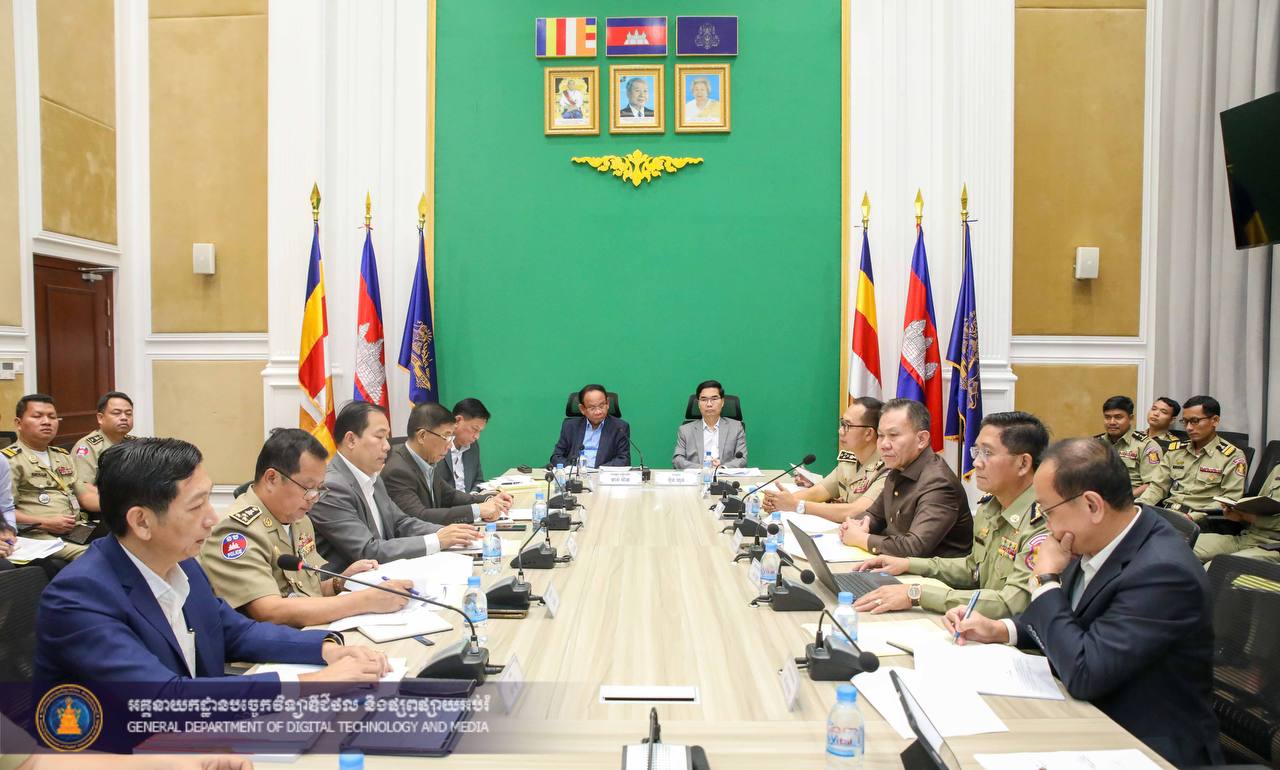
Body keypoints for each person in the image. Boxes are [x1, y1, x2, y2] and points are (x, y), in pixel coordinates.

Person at [944, 438, 1222, 767]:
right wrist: (1001, 629)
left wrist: (1045, 580)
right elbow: (1070, 619)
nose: (1047, 526)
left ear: (1092, 505)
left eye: (1048, 512)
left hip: (1146, 744)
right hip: (1090, 714)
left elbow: (1085, 672)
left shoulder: (1163, 573)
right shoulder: (1098, 538)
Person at [35, 437, 391, 693]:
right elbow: (164, 698)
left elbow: (237, 633)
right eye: (196, 506)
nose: (211, 518)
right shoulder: (80, 597)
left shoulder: (183, 566)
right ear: (141, 521)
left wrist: (327, 649)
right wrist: (315, 683)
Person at [201, 429, 417, 627]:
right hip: (266, 650)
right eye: (308, 488)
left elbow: (303, 592)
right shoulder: (237, 532)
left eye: (319, 489)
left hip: (307, 632)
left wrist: (339, 582)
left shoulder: (299, 519)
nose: (314, 498)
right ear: (271, 478)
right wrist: (365, 600)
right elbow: (270, 611)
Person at [851, 412, 1050, 619]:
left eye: (987, 453)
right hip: (978, 624)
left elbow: (1011, 604)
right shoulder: (989, 507)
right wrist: (908, 564)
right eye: (976, 451)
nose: (976, 463)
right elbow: (973, 569)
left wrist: (917, 594)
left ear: (1023, 464)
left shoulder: (1043, 522)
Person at [309, 402, 481, 572]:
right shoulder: (331, 487)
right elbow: (368, 550)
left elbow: (400, 522)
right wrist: (437, 540)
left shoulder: (372, 477)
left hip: (385, 576)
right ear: (351, 440)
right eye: (379, 437)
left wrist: (449, 532)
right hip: (351, 585)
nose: (387, 446)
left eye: (387, 437)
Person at [839, 399, 972, 558]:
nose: (884, 444)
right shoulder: (898, 468)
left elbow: (914, 547)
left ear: (921, 439)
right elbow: (875, 515)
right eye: (881, 436)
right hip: (894, 564)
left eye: (893, 435)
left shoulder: (939, 483)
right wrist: (858, 524)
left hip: (929, 571)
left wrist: (862, 539)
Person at [382, 402, 512, 526]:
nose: (449, 446)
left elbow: (450, 496)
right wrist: (477, 510)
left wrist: (489, 499)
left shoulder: (426, 461)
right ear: (422, 436)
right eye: (446, 436)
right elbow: (418, 517)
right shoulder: (397, 471)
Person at [763, 398, 887, 523]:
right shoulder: (850, 459)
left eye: (847, 426)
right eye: (842, 424)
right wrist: (779, 501)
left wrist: (797, 505)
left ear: (868, 434)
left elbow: (855, 512)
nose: (840, 431)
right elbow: (818, 492)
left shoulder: (885, 469)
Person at [3, 395, 95, 560]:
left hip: (76, 529)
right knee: (92, 556)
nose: (47, 422)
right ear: (18, 423)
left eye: (52, 417)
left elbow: (84, 495)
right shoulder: (9, 460)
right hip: (38, 534)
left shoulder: (62, 456)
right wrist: (45, 522)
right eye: (37, 416)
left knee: (120, 543)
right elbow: (4, 511)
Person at [1136, 395, 1246, 516]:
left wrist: (1194, 516)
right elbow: (1157, 487)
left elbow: (1229, 499)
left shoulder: (1232, 456)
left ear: (1214, 420)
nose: (1188, 428)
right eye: (1185, 422)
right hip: (1168, 513)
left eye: (1195, 421)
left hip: (1202, 519)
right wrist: (1137, 508)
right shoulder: (1176, 450)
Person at [1194, 462, 1280, 564]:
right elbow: (1262, 504)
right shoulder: (1278, 468)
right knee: (1182, 545)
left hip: (1273, 547)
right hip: (1248, 538)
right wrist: (1240, 517)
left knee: (1214, 567)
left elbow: (1256, 518)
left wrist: (1253, 518)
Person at [70, 391, 136, 506]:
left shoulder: (136, 443)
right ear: (100, 418)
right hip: (106, 508)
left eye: (128, 414)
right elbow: (84, 489)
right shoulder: (87, 446)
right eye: (117, 413)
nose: (124, 418)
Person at [1094, 395, 1163, 495]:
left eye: (1118, 417)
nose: (1112, 422)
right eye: (1107, 417)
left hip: (1130, 499)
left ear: (1131, 418)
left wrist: (1125, 499)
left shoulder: (1147, 446)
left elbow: (1152, 484)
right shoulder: (1095, 444)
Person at [549, 384, 631, 468]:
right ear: (582, 409)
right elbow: (556, 456)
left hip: (602, 474)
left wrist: (599, 471)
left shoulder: (620, 427)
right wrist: (573, 469)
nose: (598, 412)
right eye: (592, 408)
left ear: (608, 403)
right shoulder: (570, 426)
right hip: (575, 474)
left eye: (602, 406)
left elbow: (624, 459)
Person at [672, 380, 747, 470]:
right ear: (698, 404)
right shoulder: (685, 430)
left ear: (722, 402)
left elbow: (742, 459)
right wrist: (702, 468)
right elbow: (677, 460)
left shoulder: (736, 427)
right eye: (704, 399)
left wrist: (722, 467)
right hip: (697, 476)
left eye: (714, 399)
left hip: (725, 476)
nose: (709, 404)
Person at [437, 397, 489, 493]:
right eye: (475, 429)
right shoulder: (437, 445)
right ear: (458, 420)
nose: (477, 436)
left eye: (480, 432)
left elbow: (478, 481)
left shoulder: (473, 446)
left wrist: (473, 497)